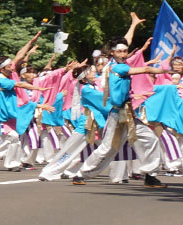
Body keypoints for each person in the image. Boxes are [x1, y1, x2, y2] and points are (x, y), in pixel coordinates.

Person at [71, 37, 172, 187]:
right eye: (120, 51)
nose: (123, 54)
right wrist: (167, 70)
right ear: (113, 52)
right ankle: (81, 173)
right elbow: (145, 69)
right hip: (118, 115)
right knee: (108, 148)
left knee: (151, 140)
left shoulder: (119, 64)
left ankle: (150, 176)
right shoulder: (118, 67)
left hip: (128, 113)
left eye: (125, 51)